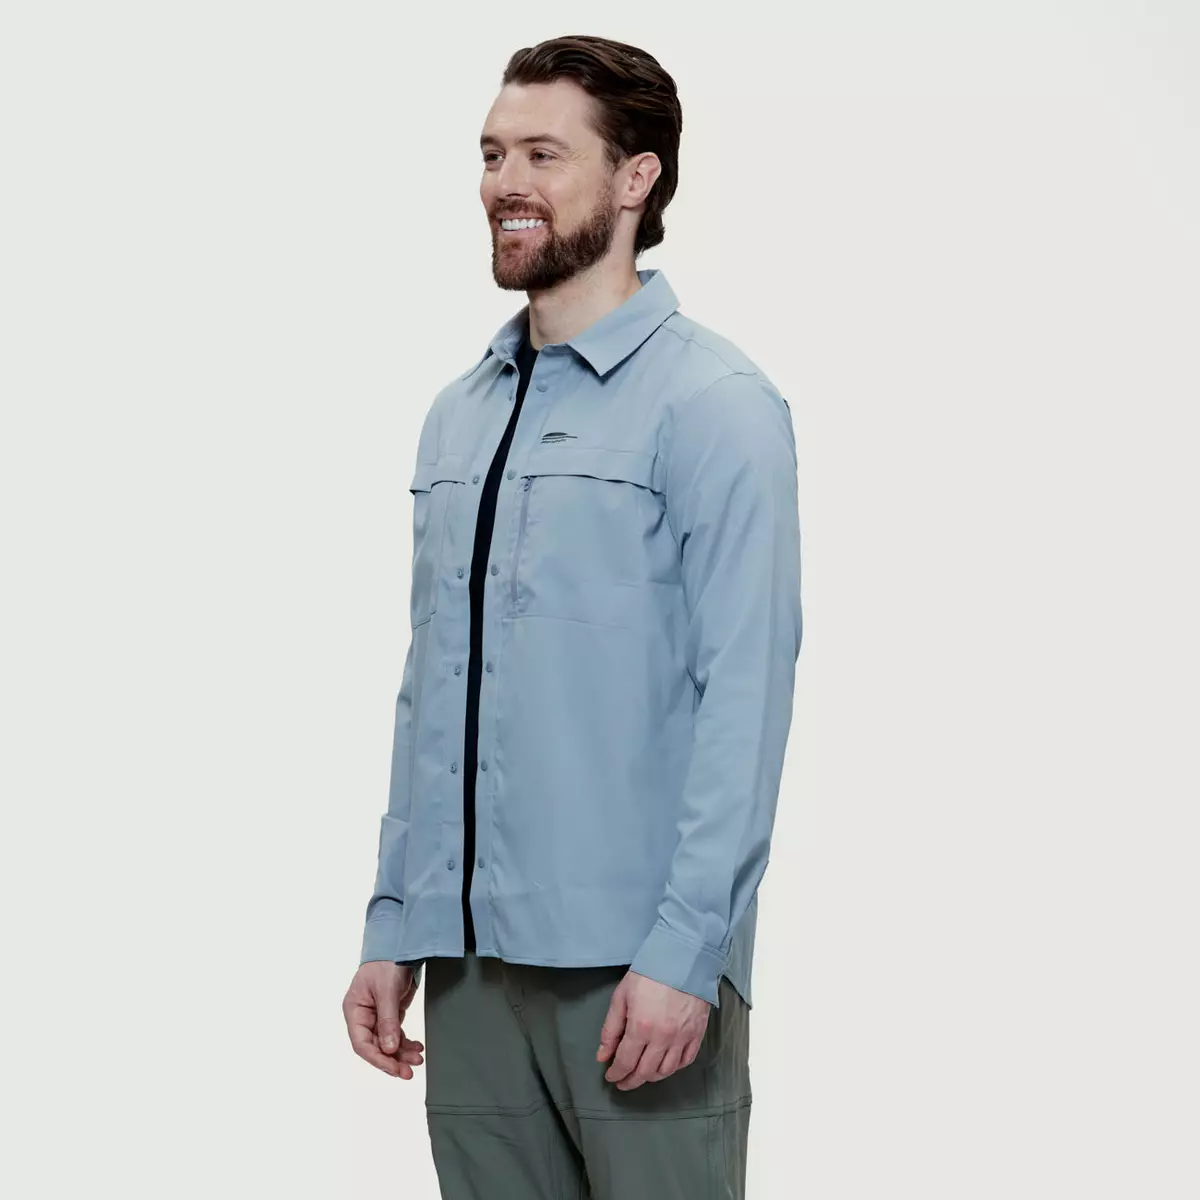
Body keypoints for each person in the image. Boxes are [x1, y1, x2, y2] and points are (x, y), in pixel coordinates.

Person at [341, 33, 802, 1200]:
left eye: (544, 154)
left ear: (636, 178)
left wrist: (688, 952)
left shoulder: (714, 405)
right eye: (493, 153)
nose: (506, 182)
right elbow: (432, 690)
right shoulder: (458, 415)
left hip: (636, 972)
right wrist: (396, 922)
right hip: (468, 970)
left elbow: (746, 699)